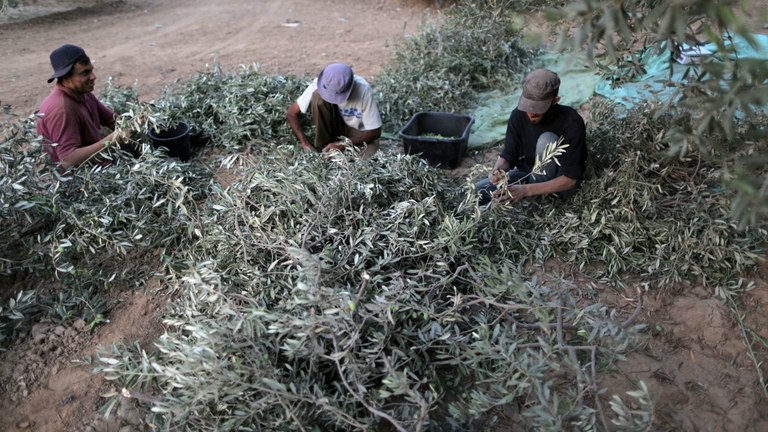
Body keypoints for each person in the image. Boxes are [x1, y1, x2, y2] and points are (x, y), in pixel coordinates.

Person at [476, 69, 587, 205]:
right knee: (478, 191)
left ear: (555, 101)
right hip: (529, 174)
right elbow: (509, 155)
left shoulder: (572, 122)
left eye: (538, 109)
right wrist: (498, 170)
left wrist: (525, 191)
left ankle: (536, 203)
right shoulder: (518, 115)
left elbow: (570, 181)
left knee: (546, 140)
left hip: (559, 184)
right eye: (528, 106)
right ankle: (527, 197)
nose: (531, 113)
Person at [37, 44, 137, 170]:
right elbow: (68, 160)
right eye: (85, 73)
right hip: (83, 181)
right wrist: (113, 138)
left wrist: (139, 122)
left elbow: (114, 121)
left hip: (101, 162)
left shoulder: (84, 94)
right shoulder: (61, 109)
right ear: (66, 78)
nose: (93, 76)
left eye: (91, 70)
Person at [286, 63, 382, 158]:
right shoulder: (320, 84)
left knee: (363, 159)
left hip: (357, 132)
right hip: (334, 126)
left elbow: (375, 132)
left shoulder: (363, 89)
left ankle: (336, 151)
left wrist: (344, 143)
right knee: (317, 97)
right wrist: (305, 143)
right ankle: (324, 144)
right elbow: (291, 113)